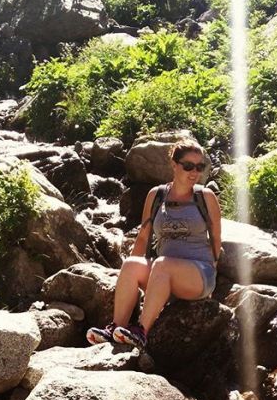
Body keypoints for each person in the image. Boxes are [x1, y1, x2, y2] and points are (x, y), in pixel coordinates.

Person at [86, 140, 222, 348]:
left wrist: (213, 273)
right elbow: (143, 237)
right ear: (174, 165)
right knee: (131, 264)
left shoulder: (205, 197)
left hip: (197, 275)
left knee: (162, 263)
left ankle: (141, 331)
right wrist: (131, 280)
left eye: (199, 167)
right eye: (188, 166)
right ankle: (116, 328)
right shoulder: (156, 196)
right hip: (163, 275)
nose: (194, 172)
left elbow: (216, 238)